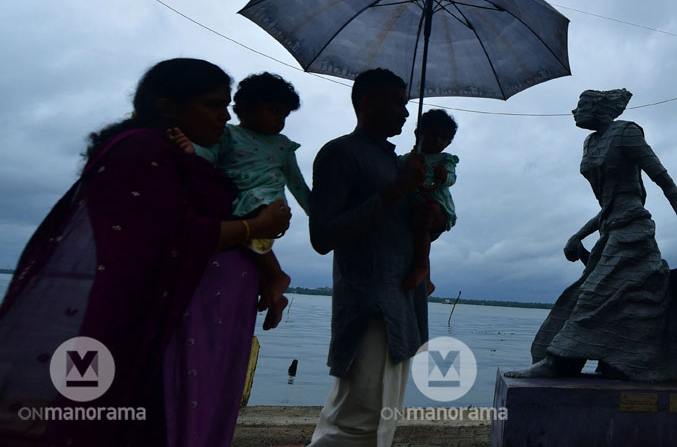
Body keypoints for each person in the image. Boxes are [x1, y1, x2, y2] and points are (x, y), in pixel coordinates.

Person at [0, 58, 292, 447]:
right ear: (167, 107)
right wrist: (254, 228)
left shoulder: (175, 155)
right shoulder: (139, 152)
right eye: (213, 104)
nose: (225, 116)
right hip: (140, 315)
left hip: (176, 310)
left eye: (226, 105)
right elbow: (171, 236)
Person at [507, 88, 677, 381]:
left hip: (633, 234)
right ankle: (612, 360)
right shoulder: (590, 143)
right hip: (610, 229)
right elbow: (609, 206)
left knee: (594, 296)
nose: (574, 111)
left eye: (580, 105)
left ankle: (560, 362)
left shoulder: (626, 133)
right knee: (605, 299)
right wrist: (578, 236)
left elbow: (668, 186)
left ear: (599, 108)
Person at [307, 68, 432, 447]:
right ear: (366, 102)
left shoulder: (399, 162)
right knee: (355, 422)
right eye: (398, 103)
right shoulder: (339, 153)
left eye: (406, 104)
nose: (405, 113)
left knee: (383, 418)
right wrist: (398, 188)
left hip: (403, 302)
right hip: (368, 304)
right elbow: (323, 235)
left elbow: (398, 227)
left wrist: (428, 215)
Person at [174, 72, 310, 329]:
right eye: (273, 111)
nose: (279, 121)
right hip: (233, 204)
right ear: (244, 109)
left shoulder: (282, 145)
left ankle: (277, 276)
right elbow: (207, 157)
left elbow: (297, 184)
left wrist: (316, 211)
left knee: (253, 219)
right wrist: (190, 149)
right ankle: (272, 291)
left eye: (284, 115)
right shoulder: (227, 135)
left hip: (266, 201)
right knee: (243, 242)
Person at [401, 108, 459, 294]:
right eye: (432, 134)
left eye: (443, 138)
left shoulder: (445, 160)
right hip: (413, 201)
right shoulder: (406, 159)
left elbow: (452, 178)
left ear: (449, 143)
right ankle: (424, 275)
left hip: (435, 202)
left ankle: (423, 269)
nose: (437, 140)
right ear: (419, 133)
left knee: (422, 228)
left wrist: (443, 177)